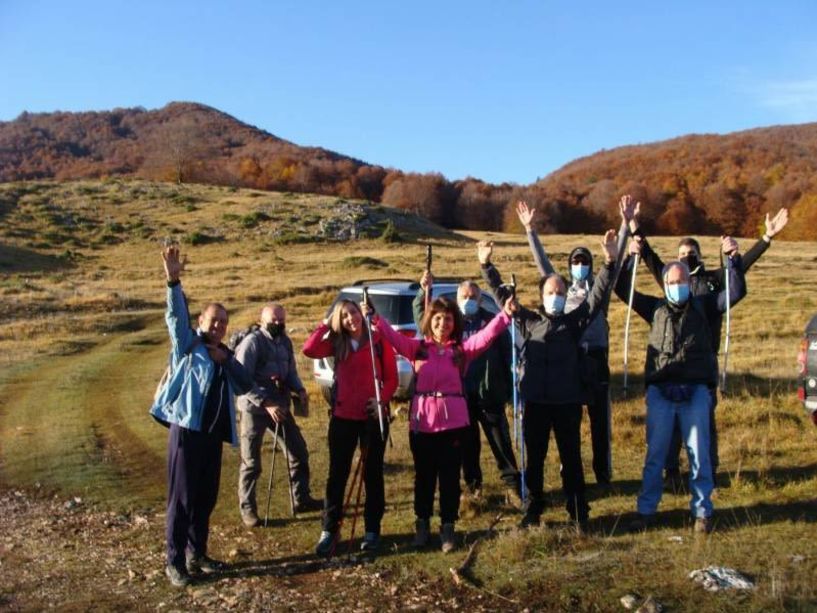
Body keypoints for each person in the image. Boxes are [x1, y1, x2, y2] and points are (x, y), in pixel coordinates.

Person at [626, 205, 788, 484]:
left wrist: (766, 238)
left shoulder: (714, 279)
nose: (686, 259)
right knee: (673, 423)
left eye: (691, 255)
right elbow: (649, 256)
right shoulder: (671, 276)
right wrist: (632, 226)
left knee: (704, 423)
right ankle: (672, 470)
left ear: (700, 256)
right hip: (674, 363)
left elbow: (741, 268)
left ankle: (707, 471)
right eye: (681, 256)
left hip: (705, 362)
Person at [616, 202, 746, 533]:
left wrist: (732, 259)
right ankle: (646, 511)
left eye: (682, 280)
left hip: (697, 392)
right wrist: (629, 255)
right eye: (671, 281)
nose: (677, 285)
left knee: (699, 455)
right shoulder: (655, 308)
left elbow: (735, 290)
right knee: (656, 455)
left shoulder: (705, 306)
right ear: (665, 283)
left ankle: (702, 512)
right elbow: (621, 290)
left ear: (690, 281)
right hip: (660, 391)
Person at [479, 228, 620, 531]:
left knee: (571, 460)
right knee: (536, 461)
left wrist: (609, 262)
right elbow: (503, 297)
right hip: (537, 405)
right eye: (550, 292)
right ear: (541, 296)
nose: (555, 297)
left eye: (560, 292)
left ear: (566, 294)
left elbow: (597, 297)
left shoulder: (575, 322)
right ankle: (533, 508)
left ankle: (579, 510)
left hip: (567, 404)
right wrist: (487, 266)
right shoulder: (530, 321)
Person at [366, 293, 517, 552]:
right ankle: (422, 524)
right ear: (429, 321)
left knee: (449, 478)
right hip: (422, 425)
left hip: (454, 425)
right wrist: (376, 319)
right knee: (423, 478)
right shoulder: (417, 348)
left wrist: (505, 316)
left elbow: (485, 337)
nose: (442, 324)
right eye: (437, 318)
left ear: (454, 323)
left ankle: (448, 527)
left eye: (447, 319)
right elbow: (393, 338)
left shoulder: (461, 351)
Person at [150, 244, 253, 588]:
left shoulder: (224, 354)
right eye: (214, 321)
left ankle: (198, 554)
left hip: (213, 435)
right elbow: (175, 318)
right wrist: (173, 283)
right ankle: (174, 561)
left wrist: (227, 361)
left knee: (205, 497)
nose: (219, 327)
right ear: (201, 322)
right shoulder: (187, 345)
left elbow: (245, 383)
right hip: (187, 430)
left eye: (224, 322)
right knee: (180, 499)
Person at [516, 199, 629, 486]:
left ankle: (603, 472)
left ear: (592, 265)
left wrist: (626, 224)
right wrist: (530, 230)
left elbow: (613, 261)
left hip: (598, 359)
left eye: (585, 262)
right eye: (575, 261)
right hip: (573, 361)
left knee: (600, 420)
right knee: (573, 420)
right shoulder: (561, 290)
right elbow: (543, 264)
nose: (580, 265)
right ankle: (571, 469)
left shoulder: (599, 293)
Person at [412, 275, 522, 507]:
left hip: (489, 392)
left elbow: (506, 353)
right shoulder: (451, 325)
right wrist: (424, 292)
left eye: (473, 296)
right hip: (460, 399)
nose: (469, 300)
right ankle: (473, 489)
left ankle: (513, 487)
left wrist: (511, 386)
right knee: (467, 448)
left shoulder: (489, 321)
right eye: (464, 296)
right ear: (457, 298)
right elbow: (423, 317)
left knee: (500, 443)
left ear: (481, 299)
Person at [303, 299, 398, 554]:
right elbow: (309, 349)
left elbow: (391, 378)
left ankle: (372, 531)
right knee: (337, 475)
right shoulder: (337, 342)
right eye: (344, 316)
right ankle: (329, 530)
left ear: (361, 311)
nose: (351, 319)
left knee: (373, 475)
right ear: (338, 320)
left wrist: (381, 401)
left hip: (373, 416)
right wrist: (325, 323)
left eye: (353, 312)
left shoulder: (378, 340)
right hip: (343, 416)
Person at [234, 303, 321, 528]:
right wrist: (266, 403)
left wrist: (299, 389)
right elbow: (242, 379)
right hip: (254, 408)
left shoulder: (285, 342)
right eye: (273, 320)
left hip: (280, 406)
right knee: (251, 462)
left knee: (298, 451)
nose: (278, 324)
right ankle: (249, 510)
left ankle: (301, 499)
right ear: (262, 320)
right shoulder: (252, 343)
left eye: (281, 320)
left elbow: (290, 371)